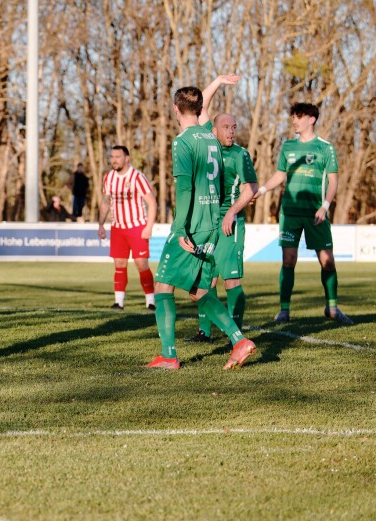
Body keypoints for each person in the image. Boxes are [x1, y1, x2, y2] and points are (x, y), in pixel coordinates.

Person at [147, 85, 256, 370]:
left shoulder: (183, 141)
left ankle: (169, 356)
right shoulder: (211, 138)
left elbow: (184, 188)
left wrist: (180, 227)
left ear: (175, 109)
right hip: (211, 224)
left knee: (163, 284)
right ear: (198, 110)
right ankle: (238, 340)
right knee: (198, 289)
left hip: (191, 224)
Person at [252, 102, 352, 325]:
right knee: (289, 260)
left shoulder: (326, 148)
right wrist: (261, 190)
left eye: (298, 116)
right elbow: (280, 176)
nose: (294, 121)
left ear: (311, 119)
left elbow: (334, 181)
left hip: (316, 213)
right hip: (290, 213)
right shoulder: (288, 147)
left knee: (327, 261)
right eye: (293, 117)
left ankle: (332, 308)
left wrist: (325, 206)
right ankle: (284, 310)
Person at [186, 75, 258, 342]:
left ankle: (235, 336)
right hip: (206, 223)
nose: (231, 131)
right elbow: (201, 107)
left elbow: (252, 187)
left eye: (234, 127)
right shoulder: (208, 144)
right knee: (205, 280)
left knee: (232, 280)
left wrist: (232, 211)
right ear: (213, 130)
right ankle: (204, 331)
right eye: (226, 126)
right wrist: (217, 81)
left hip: (230, 224)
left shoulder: (241, 154)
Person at [97, 145, 156, 311]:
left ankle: (151, 302)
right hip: (118, 227)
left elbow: (152, 202)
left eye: (118, 156)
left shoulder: (137, 177)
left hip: (137, 226)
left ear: (127, 158)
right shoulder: (108, 178)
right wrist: (101, 224)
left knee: (141, 263)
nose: (114, 160)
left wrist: (149, 226)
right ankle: (119, 302)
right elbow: (105, 202)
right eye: (112, 157)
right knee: (119, 263)